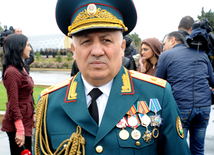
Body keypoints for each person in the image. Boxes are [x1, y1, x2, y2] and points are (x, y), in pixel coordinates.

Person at [33, 0, 190, 155]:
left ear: (122, 47)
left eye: (106, 40)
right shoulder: (50, 103)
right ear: (73, 50)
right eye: (86, 41)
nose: (97, 51)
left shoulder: (157, 94)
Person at [155, 31, 214, 155]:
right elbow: (212, 81)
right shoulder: (202, 54)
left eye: (164, 44)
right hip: (204, 108)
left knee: (177, 149)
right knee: (198, 149)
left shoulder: (166, 55)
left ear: (172, 40)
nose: (163, 48)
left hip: (181, 107)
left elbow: (158, 83)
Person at [1, 34, 35, 155]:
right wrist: (20, 130)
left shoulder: (20, 67)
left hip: (25, 120)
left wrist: (32, 115)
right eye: (27, 45)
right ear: (19, 47)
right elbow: (13, 103)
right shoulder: (12, 72)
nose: (30, 48)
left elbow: (27, 95)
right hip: (18, 126)